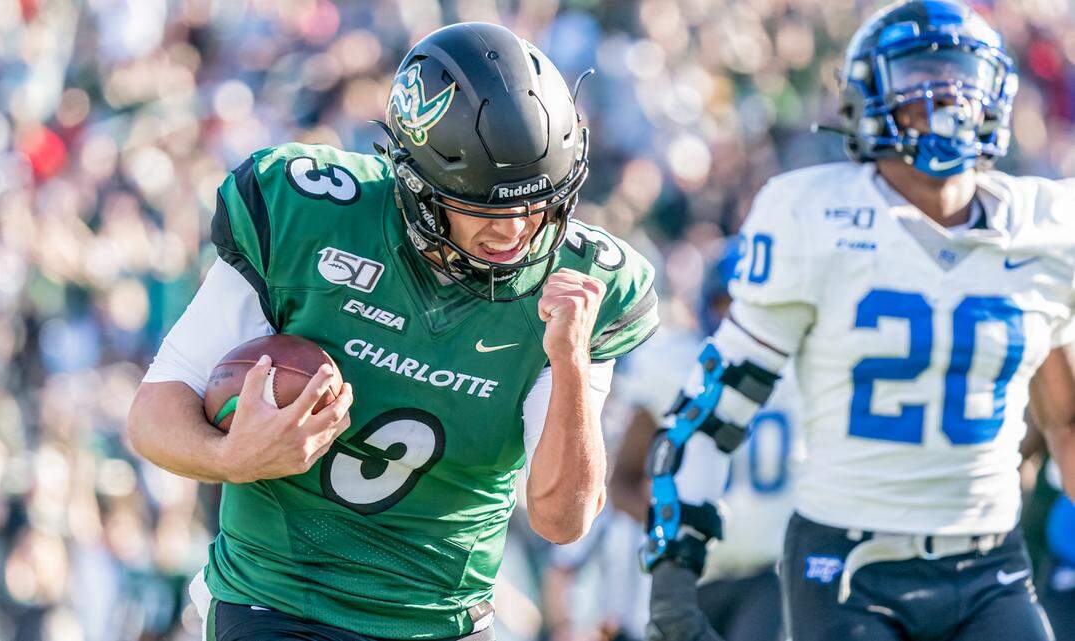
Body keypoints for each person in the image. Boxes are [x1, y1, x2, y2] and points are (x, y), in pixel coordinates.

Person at [126, 22, 659, 641]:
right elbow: (154, 412)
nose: (517, 229)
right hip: (278, 601)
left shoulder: (579, 283)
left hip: (444, 618)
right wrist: (231, 457)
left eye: (540, 202)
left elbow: (561, 520)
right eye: (487, 206)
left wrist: (569, 361)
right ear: (417, 183)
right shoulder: (310, 216)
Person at [640, 2, 1075, 641]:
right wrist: (675, 579)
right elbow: (715, 406)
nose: (945, 94)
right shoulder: (813, 215)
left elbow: (1065, 418)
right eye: (920, 75)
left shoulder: (1049, 228)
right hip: (847, 568)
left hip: (991, 563)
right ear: (870, 97)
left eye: (960, 75)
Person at [606, 239, 802, 641]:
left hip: (767, 572)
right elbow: (623, 481)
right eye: (726, 303)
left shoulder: (806, 368)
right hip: (686, 574)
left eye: (753, 304)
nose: (739, 319)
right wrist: (675, 528)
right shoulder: (672, 364)